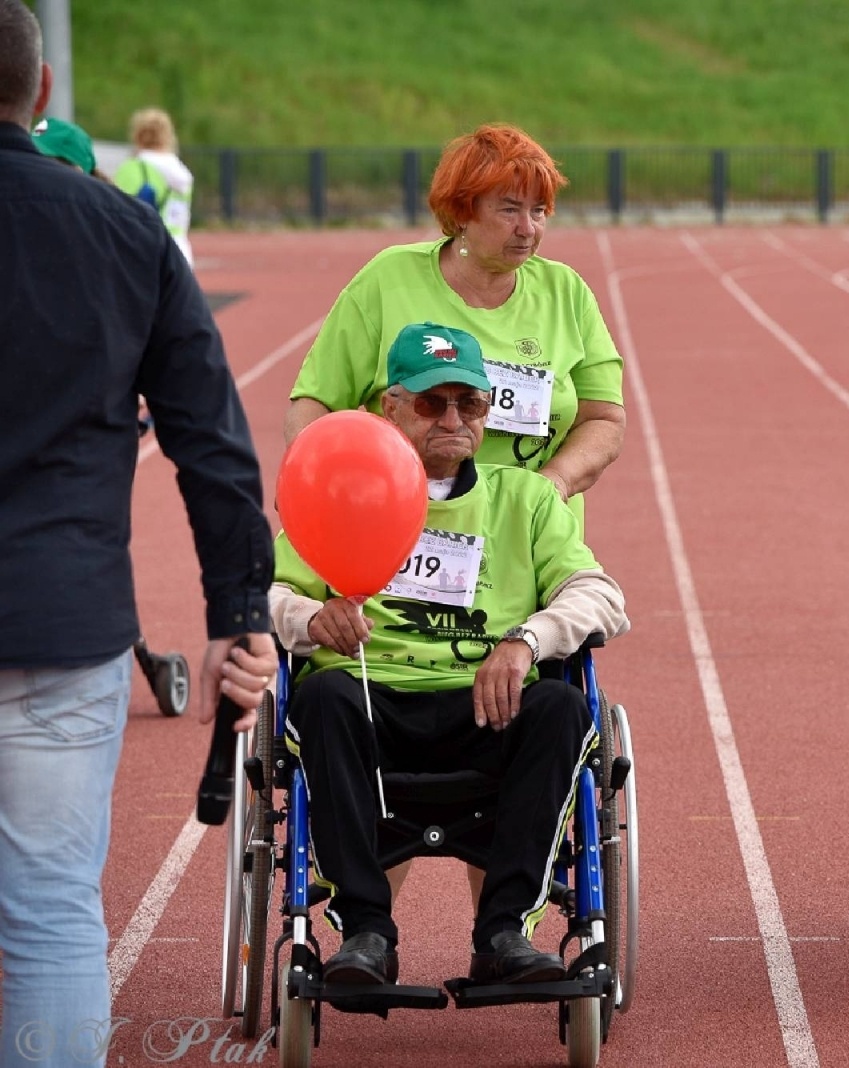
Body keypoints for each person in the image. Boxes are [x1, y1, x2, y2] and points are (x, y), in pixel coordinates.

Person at [0, 5, 276, 1066]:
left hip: (63, 622)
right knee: (51, 914)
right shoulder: (125, 232)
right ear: (42, 93)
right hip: (63, 625)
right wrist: (239, 614)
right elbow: (211, 442)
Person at [269, 322, 629, 986]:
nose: (455, 420)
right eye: (433, 403)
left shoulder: (525, 499)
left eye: (471, 403)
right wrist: (311, 618)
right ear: (392, 407)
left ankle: (504, 933)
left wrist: (526, 641)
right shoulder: (343, 491)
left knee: (560, 706)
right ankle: (366, 932)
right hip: (369, 702)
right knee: (320, 696)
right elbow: (266, 594)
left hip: (487, 708)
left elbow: (601, 596)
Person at [284, 122, 625, 529]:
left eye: (538, 211)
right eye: (509, 209)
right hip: (409, 526)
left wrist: (554, 484)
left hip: (531, 531)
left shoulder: (566, 292)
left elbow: (604, 418)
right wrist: (312, 480)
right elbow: (315, 402)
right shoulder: (388, 281)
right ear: (463, 211)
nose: (527, 228)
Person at [111, 107, 194, 266]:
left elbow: (116, 211)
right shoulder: (181, 171)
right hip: (180, 249)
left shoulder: (134, 168)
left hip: (145, 249)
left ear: (137, 134)